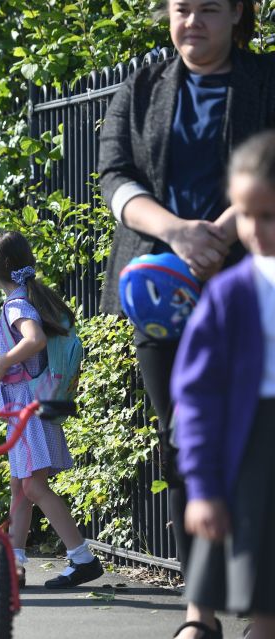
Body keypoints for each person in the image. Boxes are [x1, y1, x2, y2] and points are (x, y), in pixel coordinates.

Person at [97, 2, 275, 636]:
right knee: (183, 441)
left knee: (260, 443)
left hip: (249, 279)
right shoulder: (141, 86)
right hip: (158, 291)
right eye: (180, 8)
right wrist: (176, 233)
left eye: (208, 8)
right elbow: (114, 174)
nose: (192, 20)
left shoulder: (267, 80)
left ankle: (262, 614)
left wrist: (222, 234)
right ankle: (199, 614)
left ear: (236, 15)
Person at [0, 230, 104, 589]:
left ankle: (82, 558)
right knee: (21, 488)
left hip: (26, 409)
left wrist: (3, 363)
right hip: (30, 406)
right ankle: (14, 562)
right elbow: (0, 334)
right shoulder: (23, 300)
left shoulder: (16, 304)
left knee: (33, 488)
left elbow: (31, 339)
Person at [172, 131, 275, 639]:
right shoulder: (230, 295)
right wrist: (205, 488)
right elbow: (196, 397)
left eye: (270, 214)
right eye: (246, 214)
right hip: (252, 448)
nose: (257, 229)